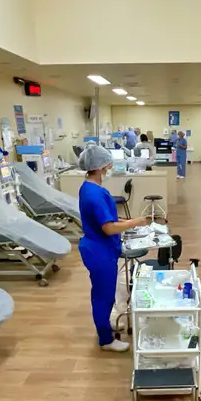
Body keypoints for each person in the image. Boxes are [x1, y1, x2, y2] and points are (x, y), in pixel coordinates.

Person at [77, 145, 148, 352]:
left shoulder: (90, 188)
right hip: (99, 251)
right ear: (99, 167)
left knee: (105, 293)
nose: (110, 168)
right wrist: (135, 222)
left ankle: (105, 327)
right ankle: (106, 340)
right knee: (103, 296)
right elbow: (108, 228)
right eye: (108, 166)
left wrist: (125, 222)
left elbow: (107, 219)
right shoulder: (93, 194)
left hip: (101, 248)